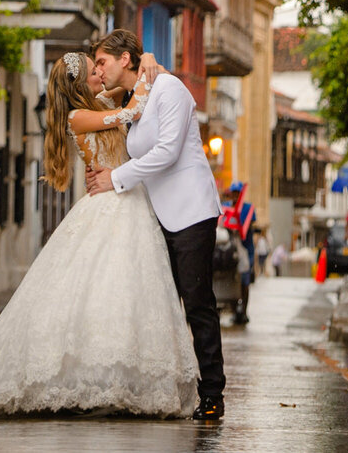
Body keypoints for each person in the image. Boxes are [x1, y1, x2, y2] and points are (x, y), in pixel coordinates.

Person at [0, 48, 198, 419]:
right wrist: (145, 73)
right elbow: (132, 111)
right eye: (96, 71)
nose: (101, 75)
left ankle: (118, 377)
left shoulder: (94, 104)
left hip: (127, 200)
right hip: (110, 203)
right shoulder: (79, 117)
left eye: (101, 67)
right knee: (101, 289)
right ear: (82, 83)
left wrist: (148, 58)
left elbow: (123, 92)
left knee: (125, 290)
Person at [84, 28, 226, 422]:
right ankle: (163, 388)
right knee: (161, 303)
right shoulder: (136, 96)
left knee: (198, 303)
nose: (99, 69)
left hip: (191, 211)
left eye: (102, 62)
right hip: (157, 215)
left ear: (124, 59)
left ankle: (212, 393)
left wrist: (116, 177)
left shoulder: (171, 90)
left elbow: (167, 152)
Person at [219, 180, 256, 324]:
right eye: (232, 193)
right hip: (228, 247)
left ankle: (244, 311)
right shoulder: (225, 207)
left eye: (237, 193)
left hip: (245, 249)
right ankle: (234, 310)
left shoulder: (248, 208)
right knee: (229, 277)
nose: (234, 196)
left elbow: (246, 227)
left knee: (244, 280)